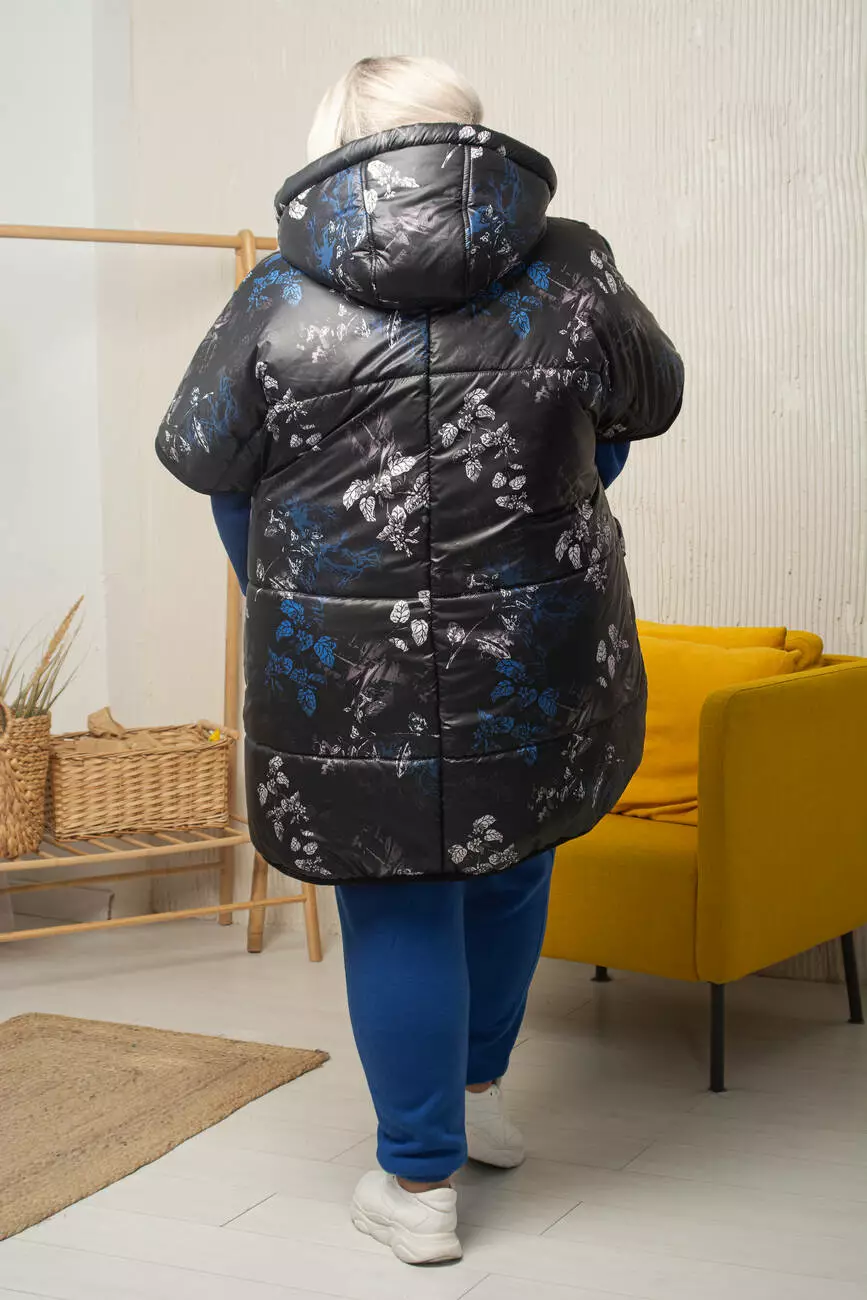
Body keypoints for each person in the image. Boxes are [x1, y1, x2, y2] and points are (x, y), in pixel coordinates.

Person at [156, 55, 683, 1266]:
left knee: (395, 891)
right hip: (532, 644)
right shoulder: (572, 267)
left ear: (341, 142)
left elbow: (207, 463)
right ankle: (478, 1097)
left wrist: (294, 600)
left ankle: (418, 1179)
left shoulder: (277, 291)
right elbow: (638, 412)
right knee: (509, 858)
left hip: (345, 666)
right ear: (468, 133)